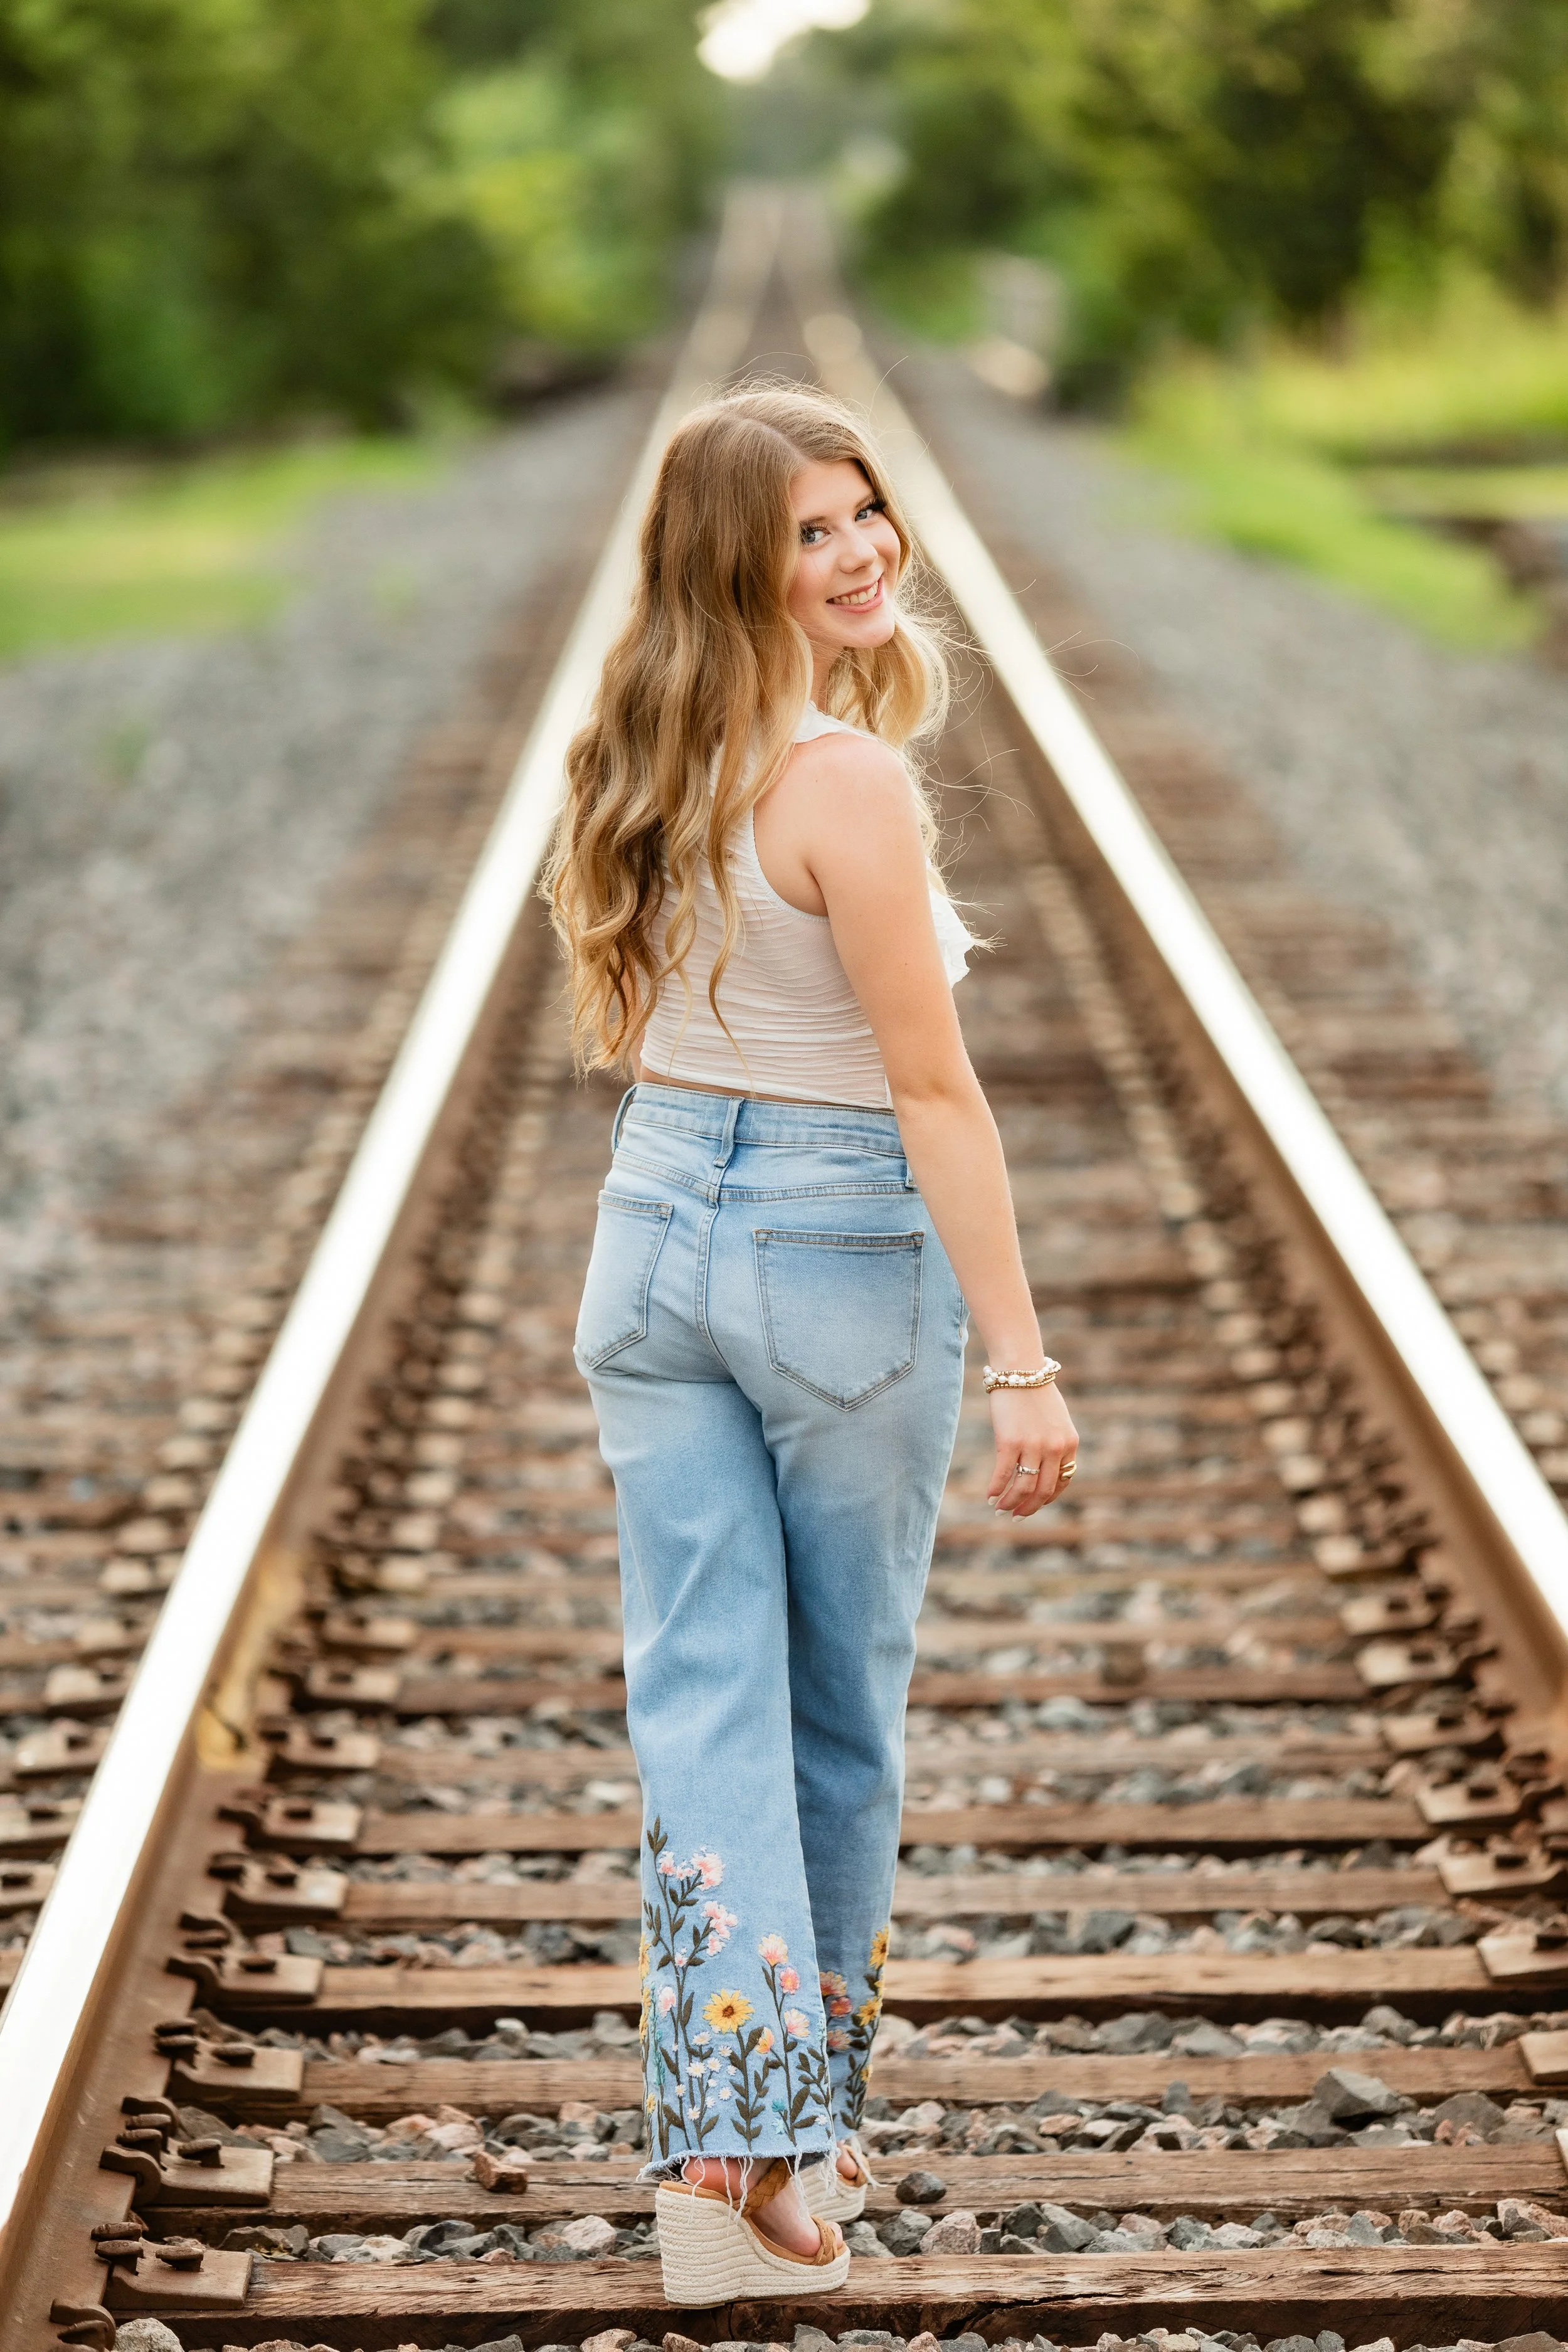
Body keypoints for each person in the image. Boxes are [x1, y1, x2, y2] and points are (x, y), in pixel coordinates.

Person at [548, 383, 1078, 2306]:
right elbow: (930, 1091)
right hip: (829, 1244)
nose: (860, 554)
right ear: (738, 566)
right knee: (836, 1708)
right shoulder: (841, 782)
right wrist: (1019, 1357)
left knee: (701, 1701)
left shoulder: (640, 746)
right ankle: (782, 2148)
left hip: (651, 1232)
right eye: (810, 533)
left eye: (866, 514)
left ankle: (723, 2145)